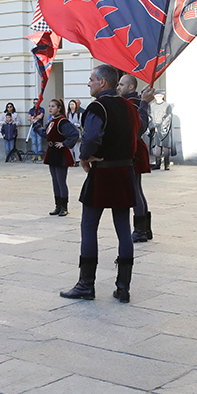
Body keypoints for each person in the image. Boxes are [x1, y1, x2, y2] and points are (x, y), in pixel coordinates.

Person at [61, 64, 138, 303]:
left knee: (88, 227)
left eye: (91, 79)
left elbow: (92, 136)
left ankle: (86, 285)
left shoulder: (97, 106)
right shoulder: (129, 105)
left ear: (103, 83)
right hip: (124, 171)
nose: (89, 83)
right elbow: (139, 130)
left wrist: (84, 156)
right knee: (124, 230)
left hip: (103, 172)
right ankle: (123, 287)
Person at [117, 73, 154, 242]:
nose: (118, 87)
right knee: (137, 189)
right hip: (135, 148)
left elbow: (139, 127)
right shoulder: (135, 102)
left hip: (133, 150)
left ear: (131, 87)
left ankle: (141, 230)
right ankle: (145, 229)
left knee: (134, 190)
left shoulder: (133, 103)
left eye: (121, 85)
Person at [44, 97, 80, 216]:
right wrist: (36, 126)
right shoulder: (52, 121)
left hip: (60, 153)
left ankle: (64, 206)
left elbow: (74, 134)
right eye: (49, 106)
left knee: (61, 181)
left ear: (59, 108)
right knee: (55, 181)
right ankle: (57, 205)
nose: (50, 108)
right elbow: (47, 135)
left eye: (53, 106)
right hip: (52, 152)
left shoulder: (62, 121)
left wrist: (64, 143)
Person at [150, 92, 173, 170]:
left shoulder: (167, 106)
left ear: (163, 96)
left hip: (164, 127)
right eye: (157, 96)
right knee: (157, 146)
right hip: (155, 126)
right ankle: (158, 163)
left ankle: (167, 164)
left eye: (160, 96)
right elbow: (150, 116)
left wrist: (163, 126)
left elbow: (169, 116)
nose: (158, 97)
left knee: (166, 146)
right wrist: (153, 126)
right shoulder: (152, 106)